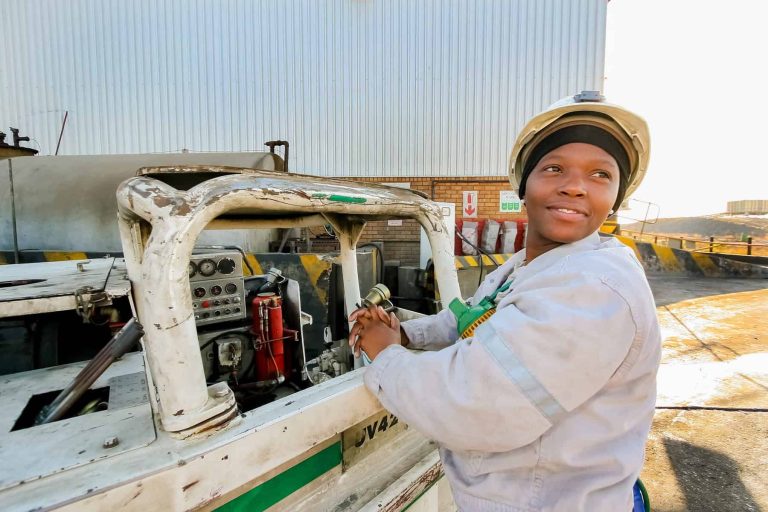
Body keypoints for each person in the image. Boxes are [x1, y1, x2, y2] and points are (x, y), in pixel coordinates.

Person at [348, 91, 660, 511]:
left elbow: (473, 406)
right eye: (554, 168)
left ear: (617, 196)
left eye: (600, 175)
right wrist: (405, 332)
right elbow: (473, 318)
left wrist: (385, 355)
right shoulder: (528, 267)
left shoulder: (596, 287)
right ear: (524, 184)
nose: (574, 187)